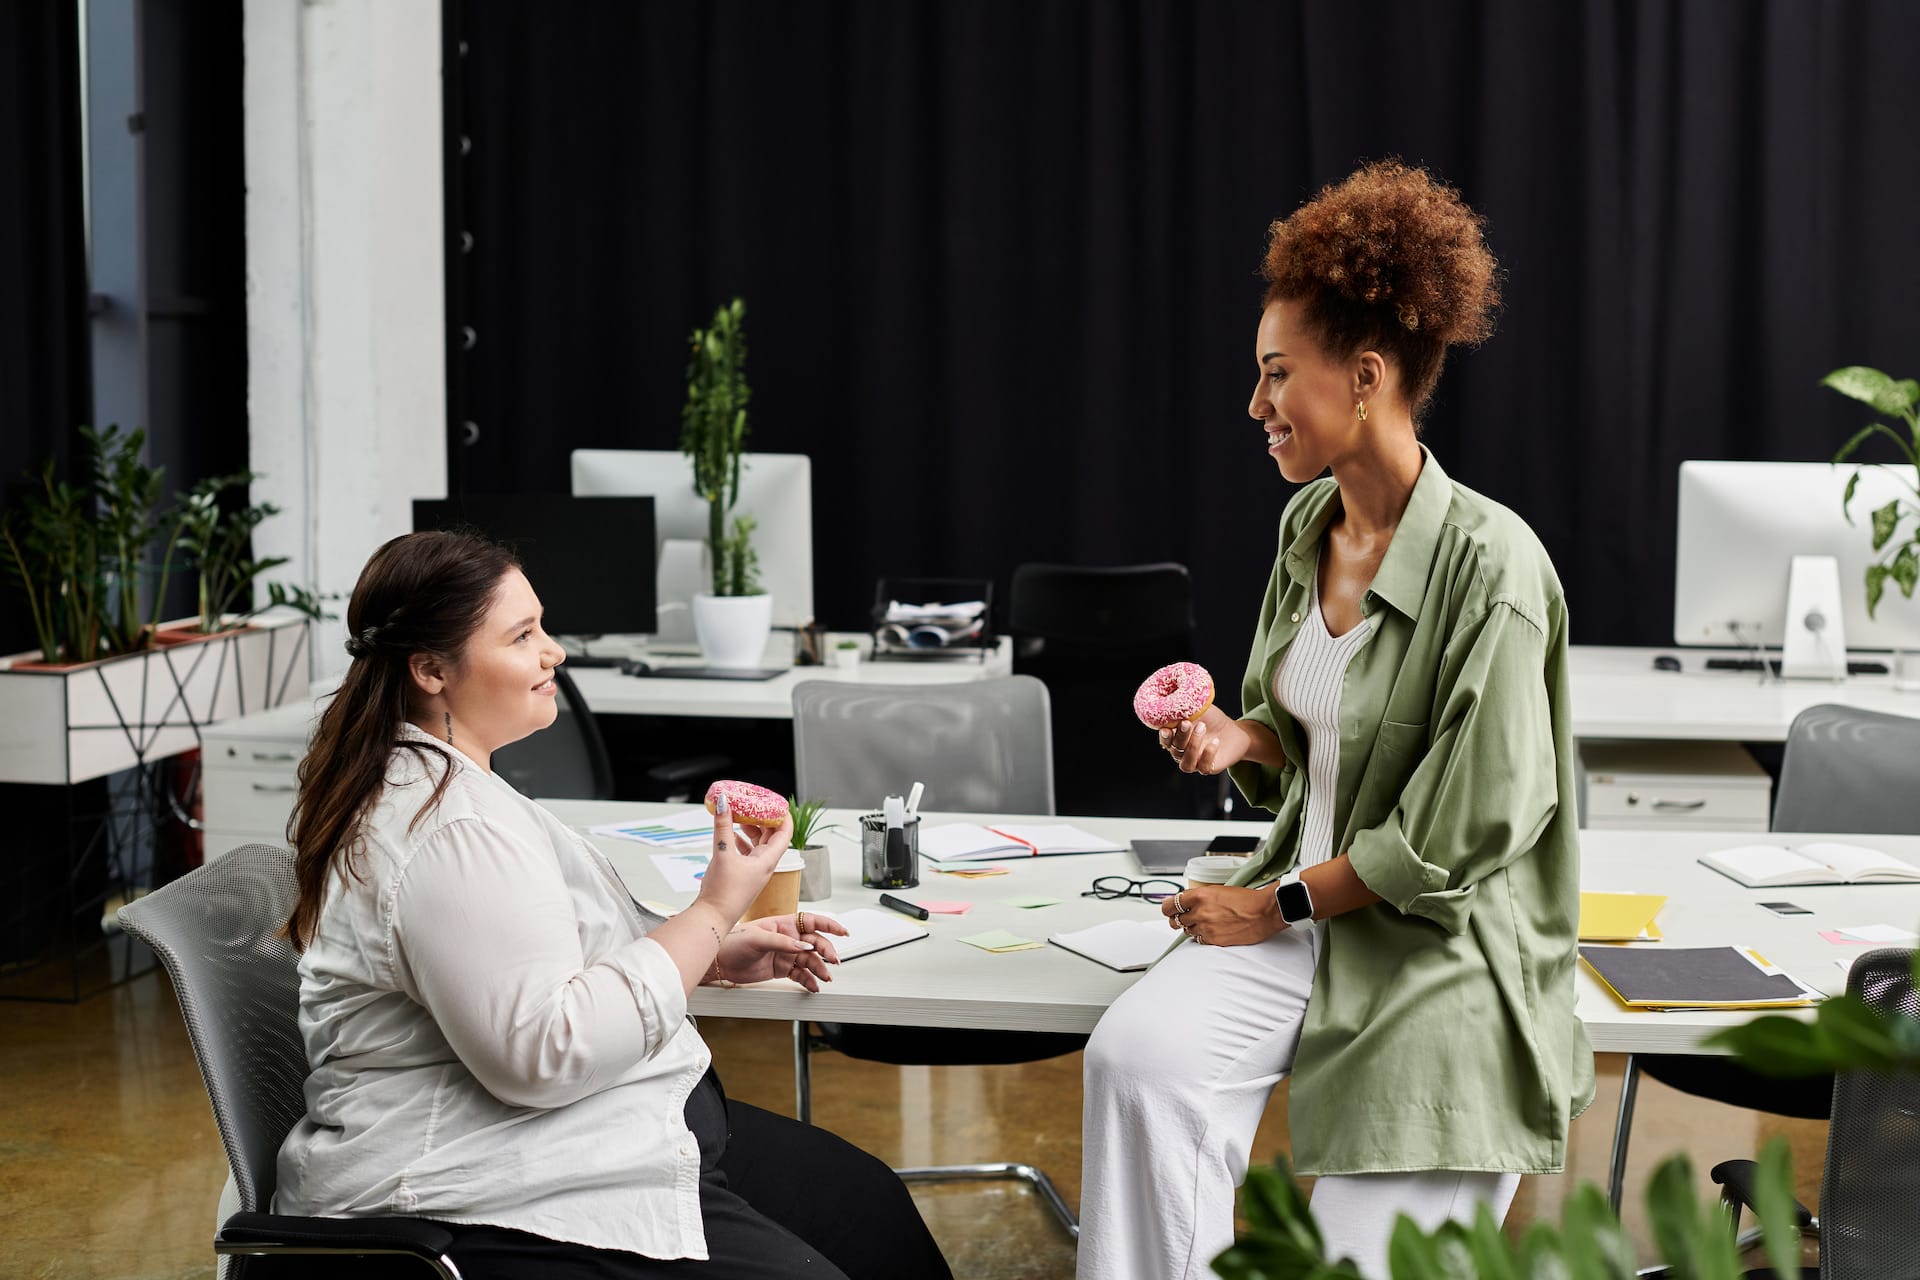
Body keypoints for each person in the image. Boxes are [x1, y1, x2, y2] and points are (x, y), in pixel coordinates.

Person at [1077, 161, 1594, 1279]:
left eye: (1276, 376)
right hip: (1304, 916)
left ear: (1365, 377)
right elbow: (1309, 736)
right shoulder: (1307, 524)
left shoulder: (1494, 568)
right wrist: (1239, 738)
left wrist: (1275, 900)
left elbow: (1458, 835)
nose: (1255, 406)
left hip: (1436, 950)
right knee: (1137, 1062)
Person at [275, 529, 953, 1280]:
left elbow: (533, 969)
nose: (553, 653)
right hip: (474, 1186)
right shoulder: (447, 830)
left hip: (596, 1124)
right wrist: (712, 911)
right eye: (524, 635)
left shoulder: (455, 788)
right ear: (432, 670)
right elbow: (543, 1053)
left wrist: (710, 958)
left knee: (870, 1208)